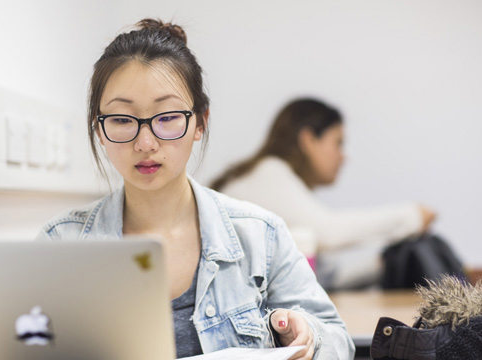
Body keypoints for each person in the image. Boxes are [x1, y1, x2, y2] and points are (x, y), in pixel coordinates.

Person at [36, 20, 354, 359]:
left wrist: (307, 337)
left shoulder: (261, 235)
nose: (145, 143)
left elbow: (339, 341)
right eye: (122, 119)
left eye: (167, 117)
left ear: (199, 122)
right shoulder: (61, 243)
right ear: (99, 129)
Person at [210, 98, 437, 291]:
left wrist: (381, 266)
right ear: (308, 140)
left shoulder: (278, 184)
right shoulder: (269, 172)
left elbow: (324, 278)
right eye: (338, 143)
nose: (343, 156)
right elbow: (330, 233)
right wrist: (412, 215)